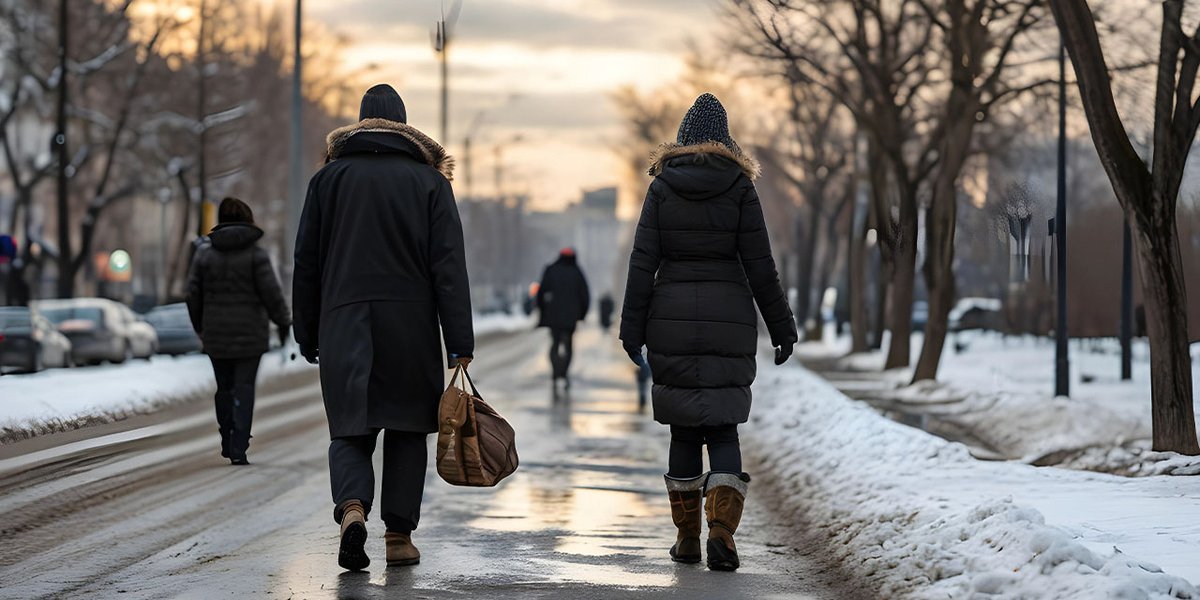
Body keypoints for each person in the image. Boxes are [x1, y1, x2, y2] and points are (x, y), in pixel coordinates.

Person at [292, 84, 473, 572]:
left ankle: (352, 509)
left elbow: (306, 262)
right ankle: (398, 537)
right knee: (409, 430)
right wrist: (459, 341)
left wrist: (306, 330)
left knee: (350, 428)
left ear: (358, 124)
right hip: (410, 325)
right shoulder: (430, 184)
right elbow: (449, 268)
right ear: (404, 126)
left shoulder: (327, 181)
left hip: (343, 319)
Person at [619, 93, 797, 572]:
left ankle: (688, 539)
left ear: (682, 139)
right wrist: (782, 327)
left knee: (683, 429)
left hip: (670, 315)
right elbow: (761, 266)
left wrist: (630, 330)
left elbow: (642, 263)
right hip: (730, 319)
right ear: (725, 139)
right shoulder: (740, 186)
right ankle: (723, 532)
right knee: (722, 425)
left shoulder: (661, 188)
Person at [186, 197, 292, 466]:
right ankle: (239, 446)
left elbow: (192, 294)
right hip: (251, 336)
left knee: (224, 387)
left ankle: (226, 436)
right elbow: (272, 294)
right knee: (244, 388)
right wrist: (282, 324)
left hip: (216, 335)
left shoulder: (204, 255)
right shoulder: (256, 255)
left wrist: (200, 326)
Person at [536, 248, 589, 391]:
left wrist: (542, 311)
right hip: (570, 318)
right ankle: (564, 373)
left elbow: (540, 293)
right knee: (568, 346)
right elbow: (585, 295)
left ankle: (555, 372)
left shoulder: (551, 269)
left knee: (554, 344)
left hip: (553, 316)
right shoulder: (577, 272)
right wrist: (582, 315)